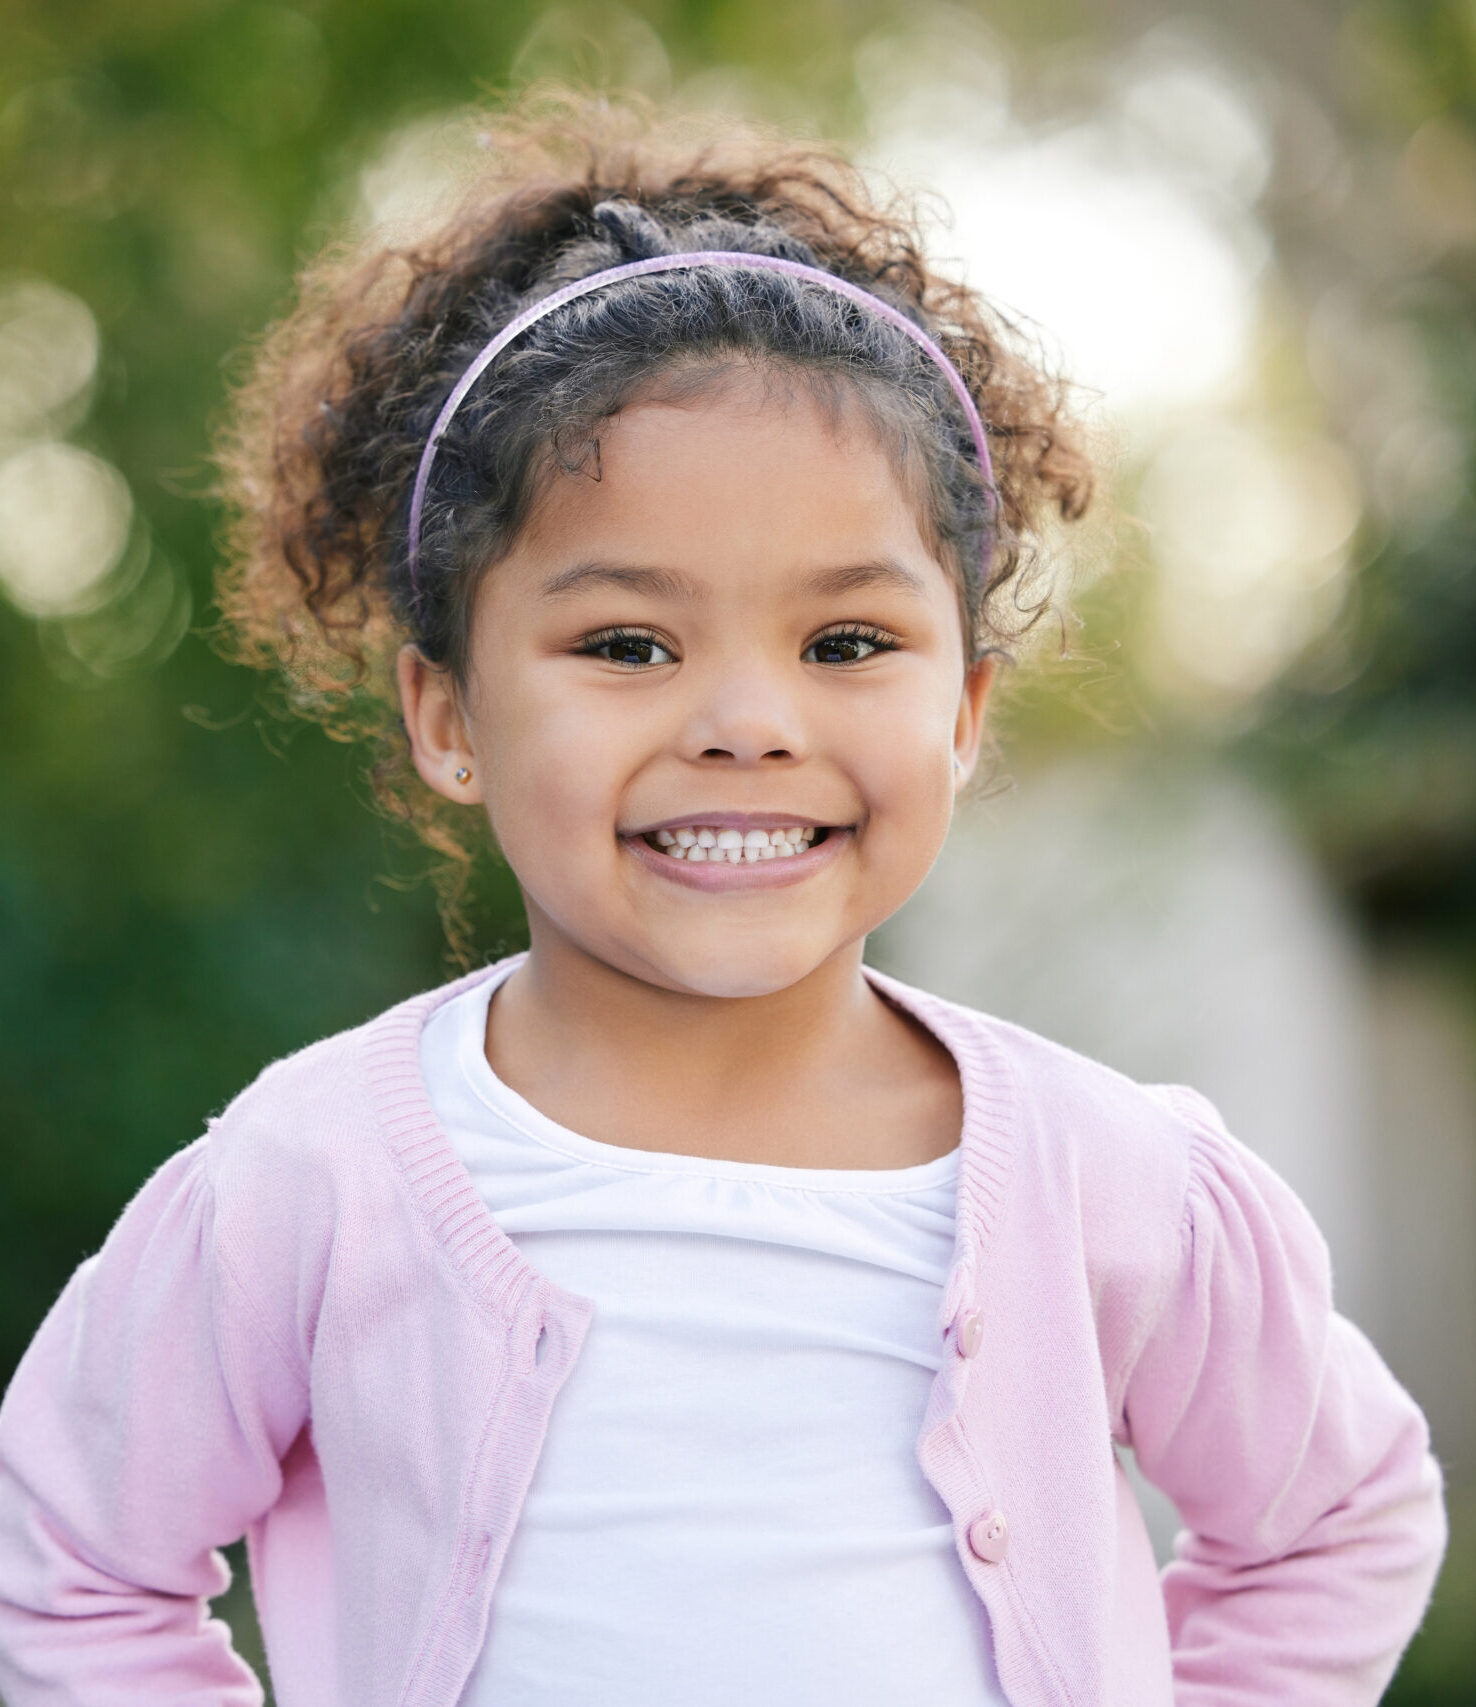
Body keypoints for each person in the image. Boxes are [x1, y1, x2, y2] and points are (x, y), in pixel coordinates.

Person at [0, 91, 1446, 1707]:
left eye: (846, 645)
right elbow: (67, 1568)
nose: (749, 721)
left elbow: (1338, 1521)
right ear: (449, 719)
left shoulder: (1113, 1183)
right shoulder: (312, 1183)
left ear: (964, 715)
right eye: (629, 645)